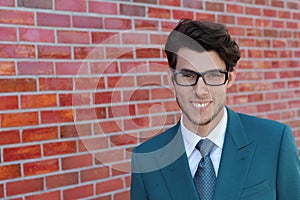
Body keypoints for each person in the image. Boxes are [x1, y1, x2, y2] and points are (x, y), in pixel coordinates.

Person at [130, 18, 300, 200]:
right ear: (171, 78)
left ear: (230, 77)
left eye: (213, 75)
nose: (200, 91)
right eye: (188, 75)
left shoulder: (274, 141)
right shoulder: (146, 159)